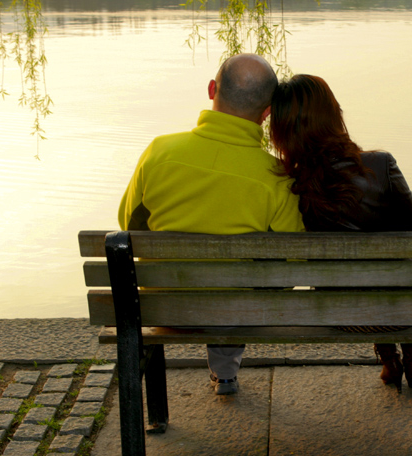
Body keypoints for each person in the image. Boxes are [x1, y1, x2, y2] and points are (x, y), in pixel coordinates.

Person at [118, 54, 304, 395]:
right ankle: (226, 372)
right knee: (241, 283)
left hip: (164, 307)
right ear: (266, 113)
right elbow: (293, 260)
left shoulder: (159, 152)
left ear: (211, 89)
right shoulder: (277, 177)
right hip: (236, 314)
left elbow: (127, 224)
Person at [269, 74, 412, 397]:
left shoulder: (289, 184)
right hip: (402, 311)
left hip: (339, 313)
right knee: (400, 267)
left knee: (360, 274)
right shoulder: (381, 165)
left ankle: (389, 360)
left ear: (283, 130)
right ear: (334, 115)